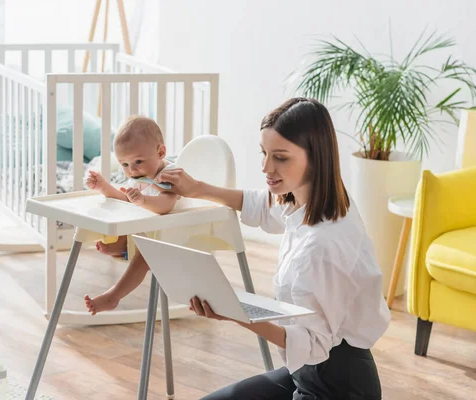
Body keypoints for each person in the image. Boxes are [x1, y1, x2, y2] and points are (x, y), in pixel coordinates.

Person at [155, 98, 391, 399]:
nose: (267, 167)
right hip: (304, 372)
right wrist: (199, 188)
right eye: (264, 153)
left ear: (315, 157)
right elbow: (263, 206)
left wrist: (236, 313)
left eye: (280, 157)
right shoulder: (309, 200)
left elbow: (313, 344)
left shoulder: (324, 245)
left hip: (337, 385)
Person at [83, 115, 190, 315]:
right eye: (124, 164)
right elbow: (124, 201)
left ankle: (113, 296)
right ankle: (122, 246)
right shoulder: (140, 176)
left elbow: (167, 204)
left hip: (175, 236)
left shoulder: (169, 174)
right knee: (127, 216)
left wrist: (143, 201)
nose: (131, 170)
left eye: (138, 161)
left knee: (146, 255)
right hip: (149, 232)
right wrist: (104, 187)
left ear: (161, 152)